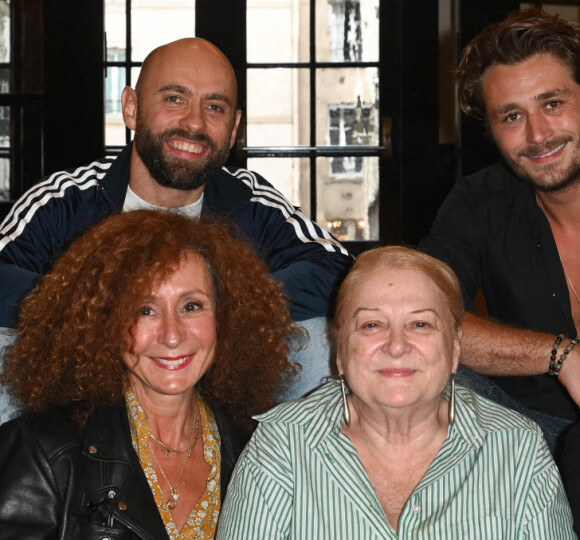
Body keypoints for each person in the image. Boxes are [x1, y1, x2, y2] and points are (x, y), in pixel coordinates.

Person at [0, 37, 352, 418]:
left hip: (216, 388)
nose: (195, 123)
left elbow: (335, 267)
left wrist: (217, 305)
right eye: (174, 99)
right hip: (85, 398)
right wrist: (111, 308)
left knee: (317, 343)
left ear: (233, 128)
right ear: (132, 108)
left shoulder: (250, 200)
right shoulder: (68, 200)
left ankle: (277, 472)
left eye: (214, 107)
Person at [216, 246, 575, 539]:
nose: (397, 345)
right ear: (340, 351)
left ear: (454, 350)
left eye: (420, 324)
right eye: (372, 324)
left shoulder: (516, 448)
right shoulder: (282, 444)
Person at [0, 209, 295, 539]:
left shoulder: (263, 450)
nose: (172, 335)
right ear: (104, 322)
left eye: (191, 306)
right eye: (145, 310)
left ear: (226, 318)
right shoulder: (43, 453)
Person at [419, 7, 580, 450]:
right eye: (511, 116)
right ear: (491, 129)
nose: (538, 134)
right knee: (424, 376)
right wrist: (561, 356)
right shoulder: (479, 201)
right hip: (532, 432)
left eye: (552, 103)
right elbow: (422, 315)